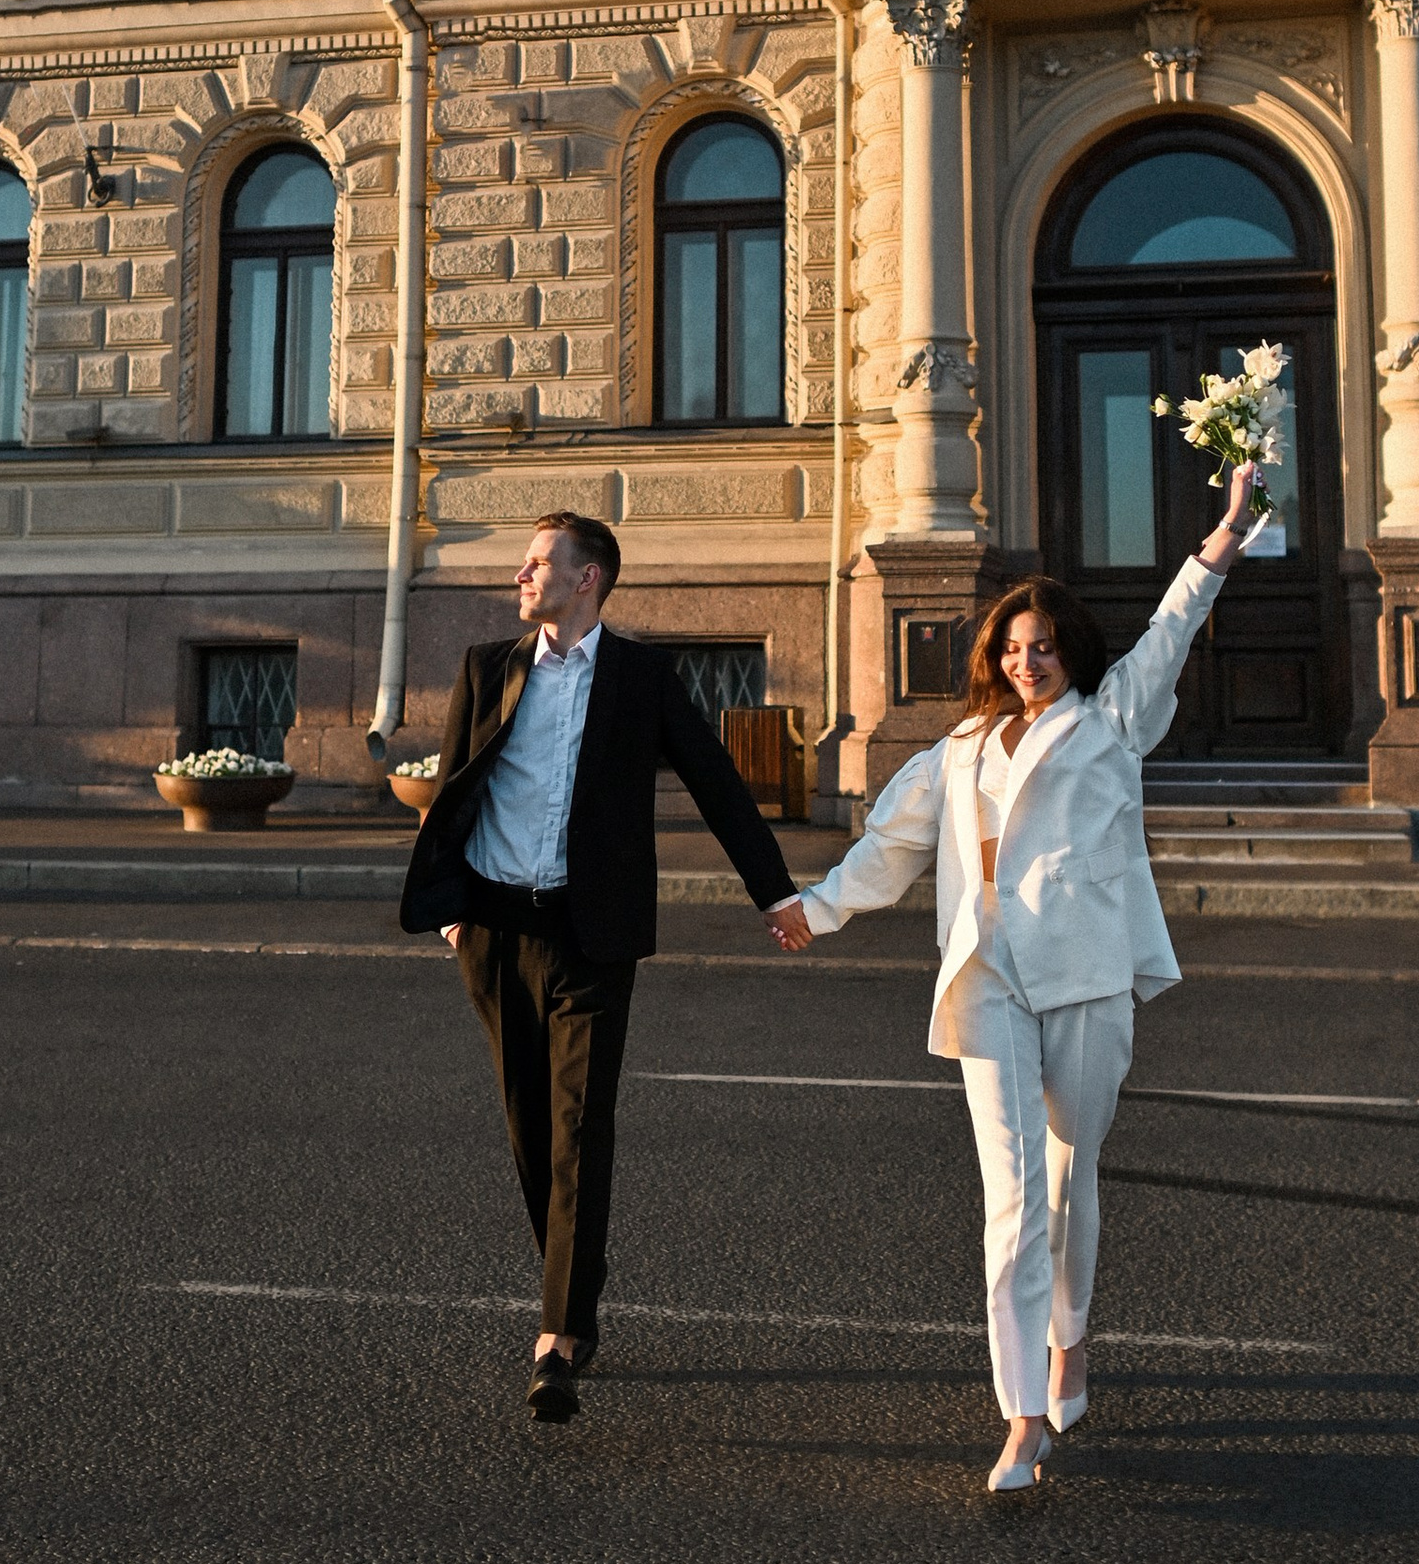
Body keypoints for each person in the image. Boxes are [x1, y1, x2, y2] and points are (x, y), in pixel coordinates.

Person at [768, 460, 1262, 1494]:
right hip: (984, 972)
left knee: (1070, 1178)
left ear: (1068, 652)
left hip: (1084, 974)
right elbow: (889, 844)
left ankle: (1069, 1339)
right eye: (1011, 647)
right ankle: (1022, 1414)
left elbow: (1170, 627)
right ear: (993, 657)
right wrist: (815, 908)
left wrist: (1224, 532)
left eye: (1042, 646)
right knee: (1010, 1194)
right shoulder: (958, 746)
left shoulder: (1113, 719)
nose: (1027, 659)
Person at [402, 510, 799, 1423]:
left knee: (581, 1126)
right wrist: (453, 914)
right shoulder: (487, 668)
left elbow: (717, 782)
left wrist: (775, 894)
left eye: (541, 561)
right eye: (526, 560)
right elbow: (451, 789)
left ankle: (559, 1334)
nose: (522, 573)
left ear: (590, 579)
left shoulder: (642, 677)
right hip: (497, 929)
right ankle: (575, 1277)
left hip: (593, 933)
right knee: (528, 1124)